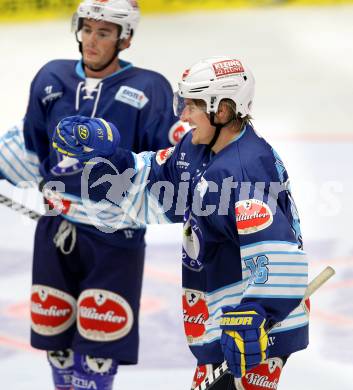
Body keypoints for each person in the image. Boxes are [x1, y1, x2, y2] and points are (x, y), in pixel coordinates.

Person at [53, 56, 310, 389]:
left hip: (256, 329)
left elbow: (278, 254)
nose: (183, 115)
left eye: (193, 106)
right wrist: (112, 155)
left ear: (223, 110)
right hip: (224, 318)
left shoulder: (245, 172)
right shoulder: (197, 149)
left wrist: (259, 311)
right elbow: (159, 183)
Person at [0, 1, 186, 389]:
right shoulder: (50, 78)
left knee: (99, 350)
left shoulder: (149, 88)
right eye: (87, 29)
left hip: (115, 236)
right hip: (56, 229)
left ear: (125, 39)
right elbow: (32, 146)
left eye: (103, 33)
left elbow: (165, 161)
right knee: (58, 344)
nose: (91, 40)